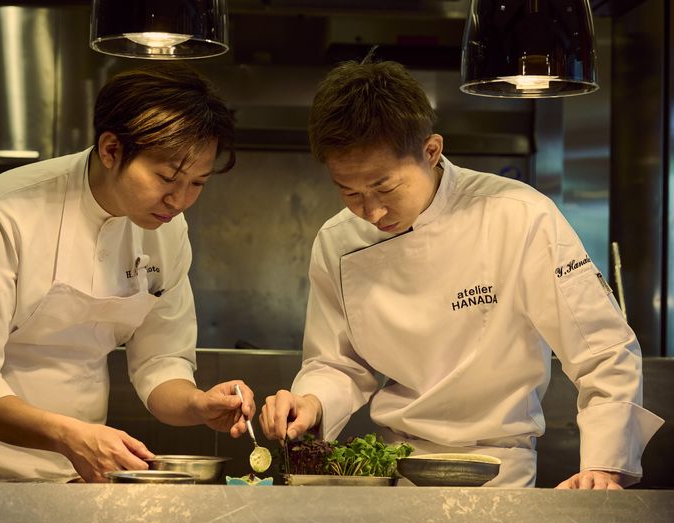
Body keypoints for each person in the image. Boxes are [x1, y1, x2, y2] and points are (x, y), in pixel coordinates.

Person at [258, 59, 663, 489]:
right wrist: (311, 401)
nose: (371, 211)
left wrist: (604, 465)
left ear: (431, 151)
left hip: (499, 471)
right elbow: (337, 362)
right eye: (349, 192)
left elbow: (602, 348)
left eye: (385, 188)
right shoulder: (337, 241)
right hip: (395, 470)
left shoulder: (520, 216)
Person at [0, 64, 255, 522]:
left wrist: (197, 404)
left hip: (85, 469)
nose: (179, 200)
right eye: (166, 178)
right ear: (111, 149)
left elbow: (160, 363)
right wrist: (70, 436)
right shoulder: (5, 212)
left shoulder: (168, 231)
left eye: (197, 183)